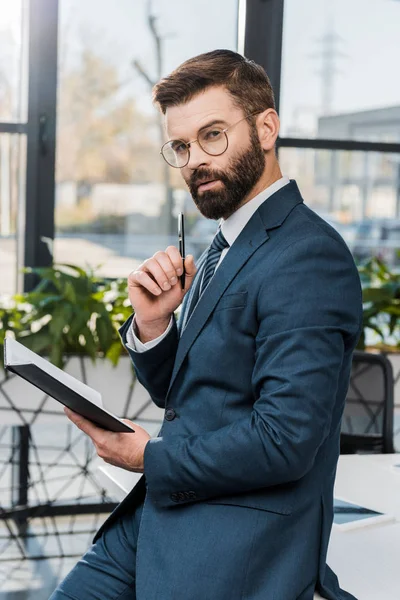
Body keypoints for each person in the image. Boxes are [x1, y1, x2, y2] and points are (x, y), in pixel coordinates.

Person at [50, 49, 362, 600]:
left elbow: (285, 439)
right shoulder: (224, 245)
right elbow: (191, 396)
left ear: (266, 128)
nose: (195, 159)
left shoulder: (308, 255)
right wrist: (153, 326)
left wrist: (149, 457)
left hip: (229, 544)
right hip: (154, 519)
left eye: (213, 135)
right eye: (181, 146)